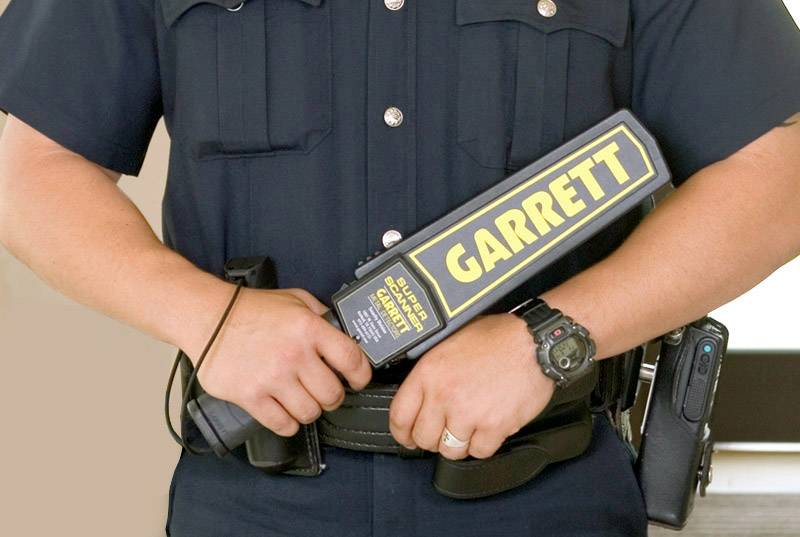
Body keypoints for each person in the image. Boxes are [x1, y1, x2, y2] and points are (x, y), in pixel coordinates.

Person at [1, 0, 799, 535]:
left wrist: (549, 336)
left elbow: (780, 167)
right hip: (259, 498)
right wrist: (206, 318)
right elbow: (27, 164)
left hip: (542, 489)